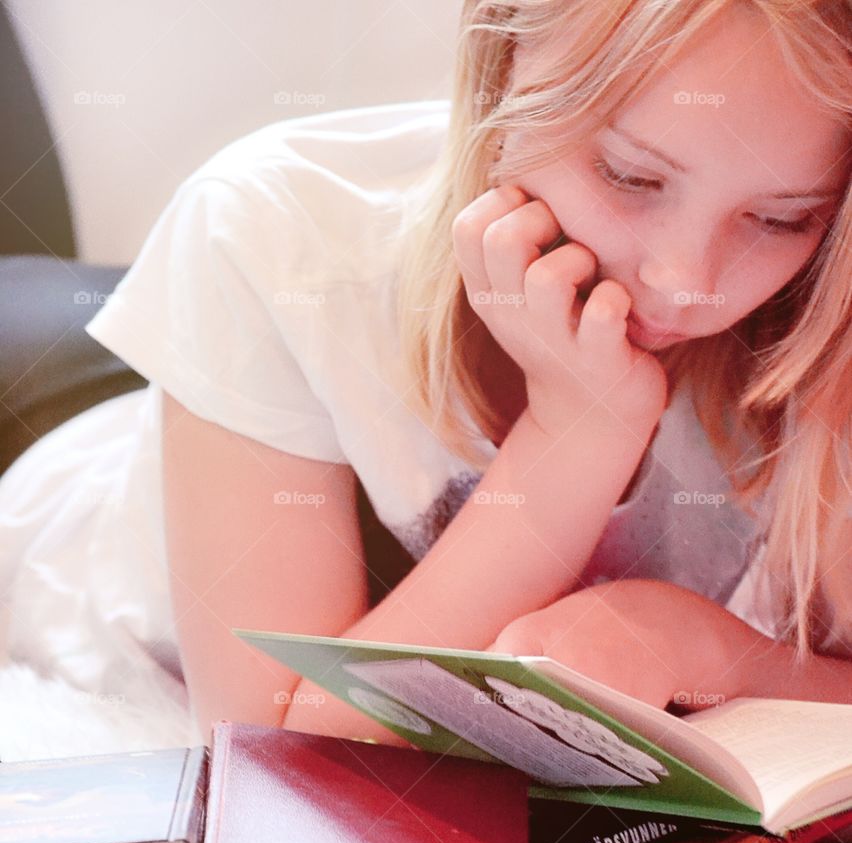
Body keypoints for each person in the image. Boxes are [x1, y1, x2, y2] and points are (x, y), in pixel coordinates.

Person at [0, 0, 849, 751]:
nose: (678, 278)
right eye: (631, 175)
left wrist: (711, 649)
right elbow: (274, 755)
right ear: (499, 68)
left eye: (781, 218)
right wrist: (577, 432)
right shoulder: (267, 231)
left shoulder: (822, 319)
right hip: (80, 446)